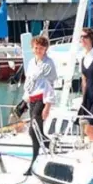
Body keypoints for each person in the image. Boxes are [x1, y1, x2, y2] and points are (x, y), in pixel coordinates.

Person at [22, 34, 58, 172]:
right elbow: (29, 82)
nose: (38, 50)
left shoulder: (48, 64)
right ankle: (49, 147)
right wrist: (24, 101)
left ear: (46, 49)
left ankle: (33, 163)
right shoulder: (32, 63)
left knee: (34, 130)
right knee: (36, 132)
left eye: (41, 48)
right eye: (36, 48)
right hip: (32, 99)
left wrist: (47, 106)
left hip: (42, 99)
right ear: (33, 48)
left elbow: (50, 85)